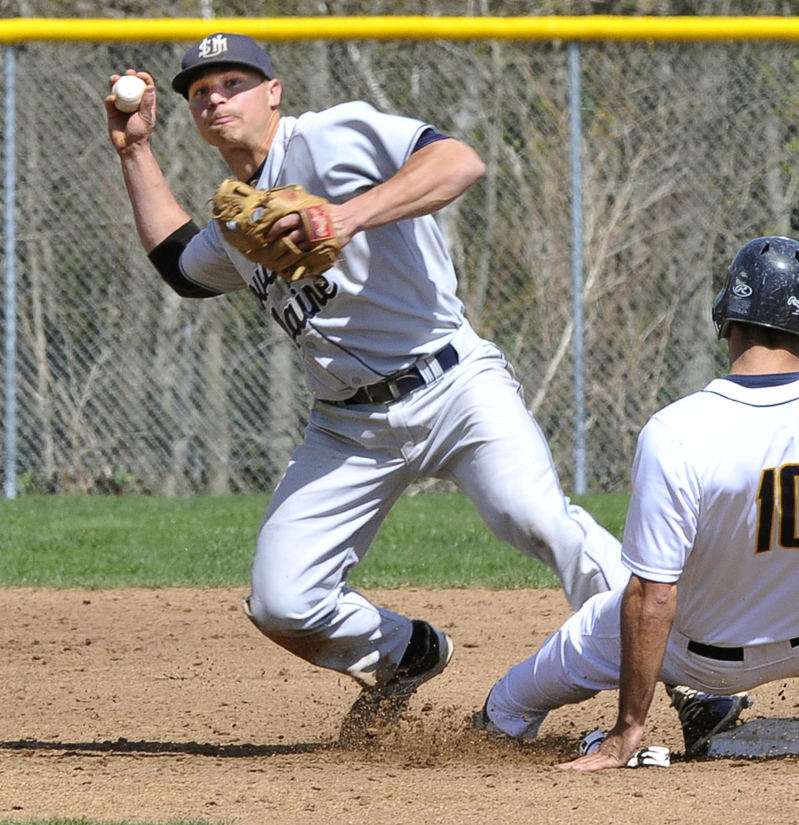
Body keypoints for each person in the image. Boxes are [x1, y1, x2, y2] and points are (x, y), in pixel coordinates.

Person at [104, 32, 739, 740]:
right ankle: (406, 652)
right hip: (346, 425)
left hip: (453, 387)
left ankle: (688, 682)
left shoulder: (332, 137)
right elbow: (179, 267)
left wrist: (347, 214)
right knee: (283, 601)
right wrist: (134, 150)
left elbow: (460, 161)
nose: (215, 99)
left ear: (273, 92)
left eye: (233, 83)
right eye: (200, 92)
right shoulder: (240, 218)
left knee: (541, 520)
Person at [472, 235, 799, 770]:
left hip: (697, 658)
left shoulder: (675, 431)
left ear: (727, 315)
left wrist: (627, 729)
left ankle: (498, 722)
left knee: (543, 673)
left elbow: (653, 595)